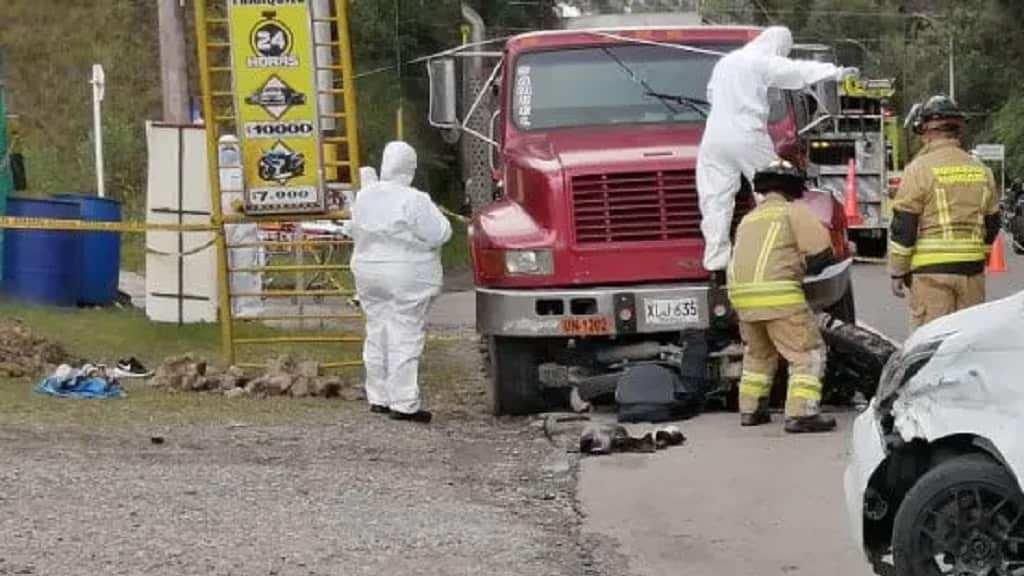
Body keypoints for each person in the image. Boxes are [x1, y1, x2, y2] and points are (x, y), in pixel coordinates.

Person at [698, 26, 857, 279]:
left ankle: (716, 261)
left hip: (713, 139)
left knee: (715, 201)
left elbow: (710, 97)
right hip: (747, 133)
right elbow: (797, 72)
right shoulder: (761, 62)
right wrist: (836, 72)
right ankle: (777, 249)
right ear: (777, 46)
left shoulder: (724, 64)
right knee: (774, 192)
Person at [727, 160, 838, 434]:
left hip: (743, 301)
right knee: (807, 353)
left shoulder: (749, 219)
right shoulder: (793, 212)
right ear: (794, 187)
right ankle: (801, 414)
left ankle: (751, 410)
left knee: (758, 354)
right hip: (780, 298)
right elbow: (822, 253)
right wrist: (799, 269)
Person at [350, 142, 452, 423]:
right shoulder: (414, 199)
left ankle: (378, 397)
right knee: (404, 334)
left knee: (376, 331)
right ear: (410, 167)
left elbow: (352, 228)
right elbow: (439, 233)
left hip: (367, 271)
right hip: (406, 273)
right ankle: (404, 402)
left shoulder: (364, 196)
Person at [888, 95, 1000, 330]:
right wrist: (981, 257)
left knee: (932, 347)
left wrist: (898, 271)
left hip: (932, 274)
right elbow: (992, 224)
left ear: (926, 130)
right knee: (967, 343)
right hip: (972, 273)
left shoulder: (918, 169)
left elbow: (904, 227)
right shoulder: (982, 171)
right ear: (958, 129)